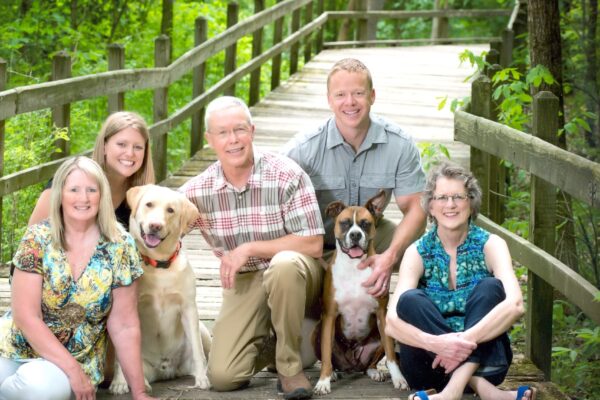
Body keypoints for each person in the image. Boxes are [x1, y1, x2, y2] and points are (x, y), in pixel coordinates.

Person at [180, 96, 324, 400]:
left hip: (297, 274)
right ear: (209, 140)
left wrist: (248, 248)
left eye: (239, 130)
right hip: (246, 281)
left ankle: (289, 368)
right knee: (223, 376)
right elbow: (159, 220)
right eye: (222, 133)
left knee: (283, 265)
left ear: (253, 131)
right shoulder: (196, 191)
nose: (232, 140)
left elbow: (312, 243)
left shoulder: (286, 174)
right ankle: (272, 339)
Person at [0, 157, 155, 400]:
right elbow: (26, 317)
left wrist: (139, 393)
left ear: (102, 195)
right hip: (14, 346)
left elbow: (125, 325)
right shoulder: (37, 238)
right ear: (60, 194)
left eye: (91, 190)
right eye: (74, 190)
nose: (83, 198)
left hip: (73, 361)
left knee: (42, 390)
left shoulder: (120, 246)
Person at [385, 162, 537, 400]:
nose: (450, 204)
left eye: (458, 196)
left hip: (489, 366)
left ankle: (452, 392)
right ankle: (485, 391)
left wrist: (462, 343)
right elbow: (391, 323)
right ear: (431, 206)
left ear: (471, 202)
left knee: (490, 288)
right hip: (428, 367)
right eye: (442, 197)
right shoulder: (417, 252)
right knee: (410, 300)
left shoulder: (491, 244)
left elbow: (516, 305)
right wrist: (437, 344)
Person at [283, 58, 427, 298]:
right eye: (340, 95)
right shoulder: (302, 149)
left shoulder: (399, 144)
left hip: (371, 235)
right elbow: (271, 200)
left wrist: (389, 256)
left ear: (372, 96)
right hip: (317, 245)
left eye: (358, 93)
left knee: (427, 250)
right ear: (329, 100)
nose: (350, 102)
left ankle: (409, 321)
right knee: (283, 267)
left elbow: (416, 208)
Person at [28, 111, 155, 229]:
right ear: (104, 146)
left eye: (138, 147)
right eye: (121, 144)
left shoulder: (142, 197)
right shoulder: (69, 181)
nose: (130, 153)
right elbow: (31, 241)